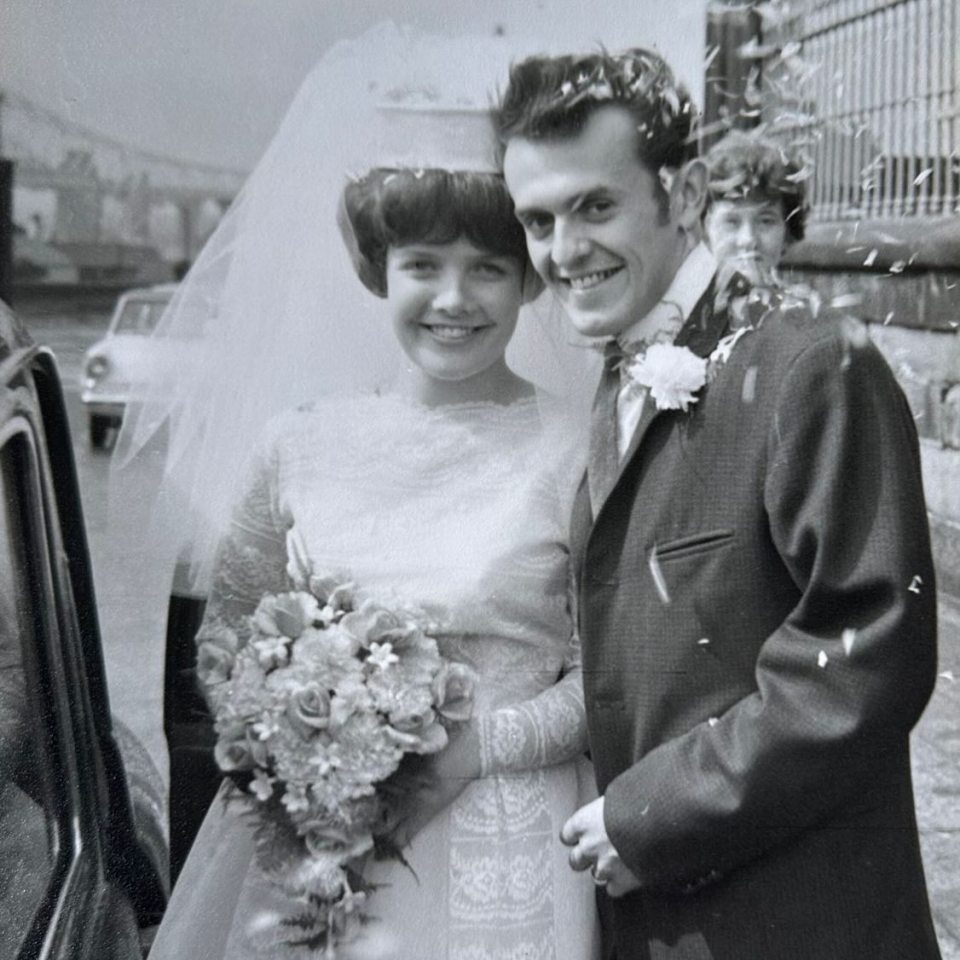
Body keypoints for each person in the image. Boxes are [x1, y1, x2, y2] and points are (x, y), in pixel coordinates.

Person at [139, 25, 600, 960]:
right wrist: (296, 743)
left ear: (528, 284)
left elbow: (615, 676)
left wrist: (475, 749)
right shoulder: (299, 443)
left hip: (505, 848)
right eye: (422, 266)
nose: (453, 299)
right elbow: (228, 641)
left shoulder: (575, 448)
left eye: (488, 269)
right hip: (317, 846)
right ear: (377, 271)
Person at [497, 47, 942, 959]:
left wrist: (652, 817)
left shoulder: (813, 365)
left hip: (798, 922)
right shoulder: (621, 366)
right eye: (537, 220)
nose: (563, 251)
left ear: (686, 189)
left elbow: (867, 659)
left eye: (594, 206)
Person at [702, 130, 807, 286]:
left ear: (787, 234)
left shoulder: (804, 309)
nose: (748, 240)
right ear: (705, 231)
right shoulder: (678, 308)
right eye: (731, 222)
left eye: (765, 221)